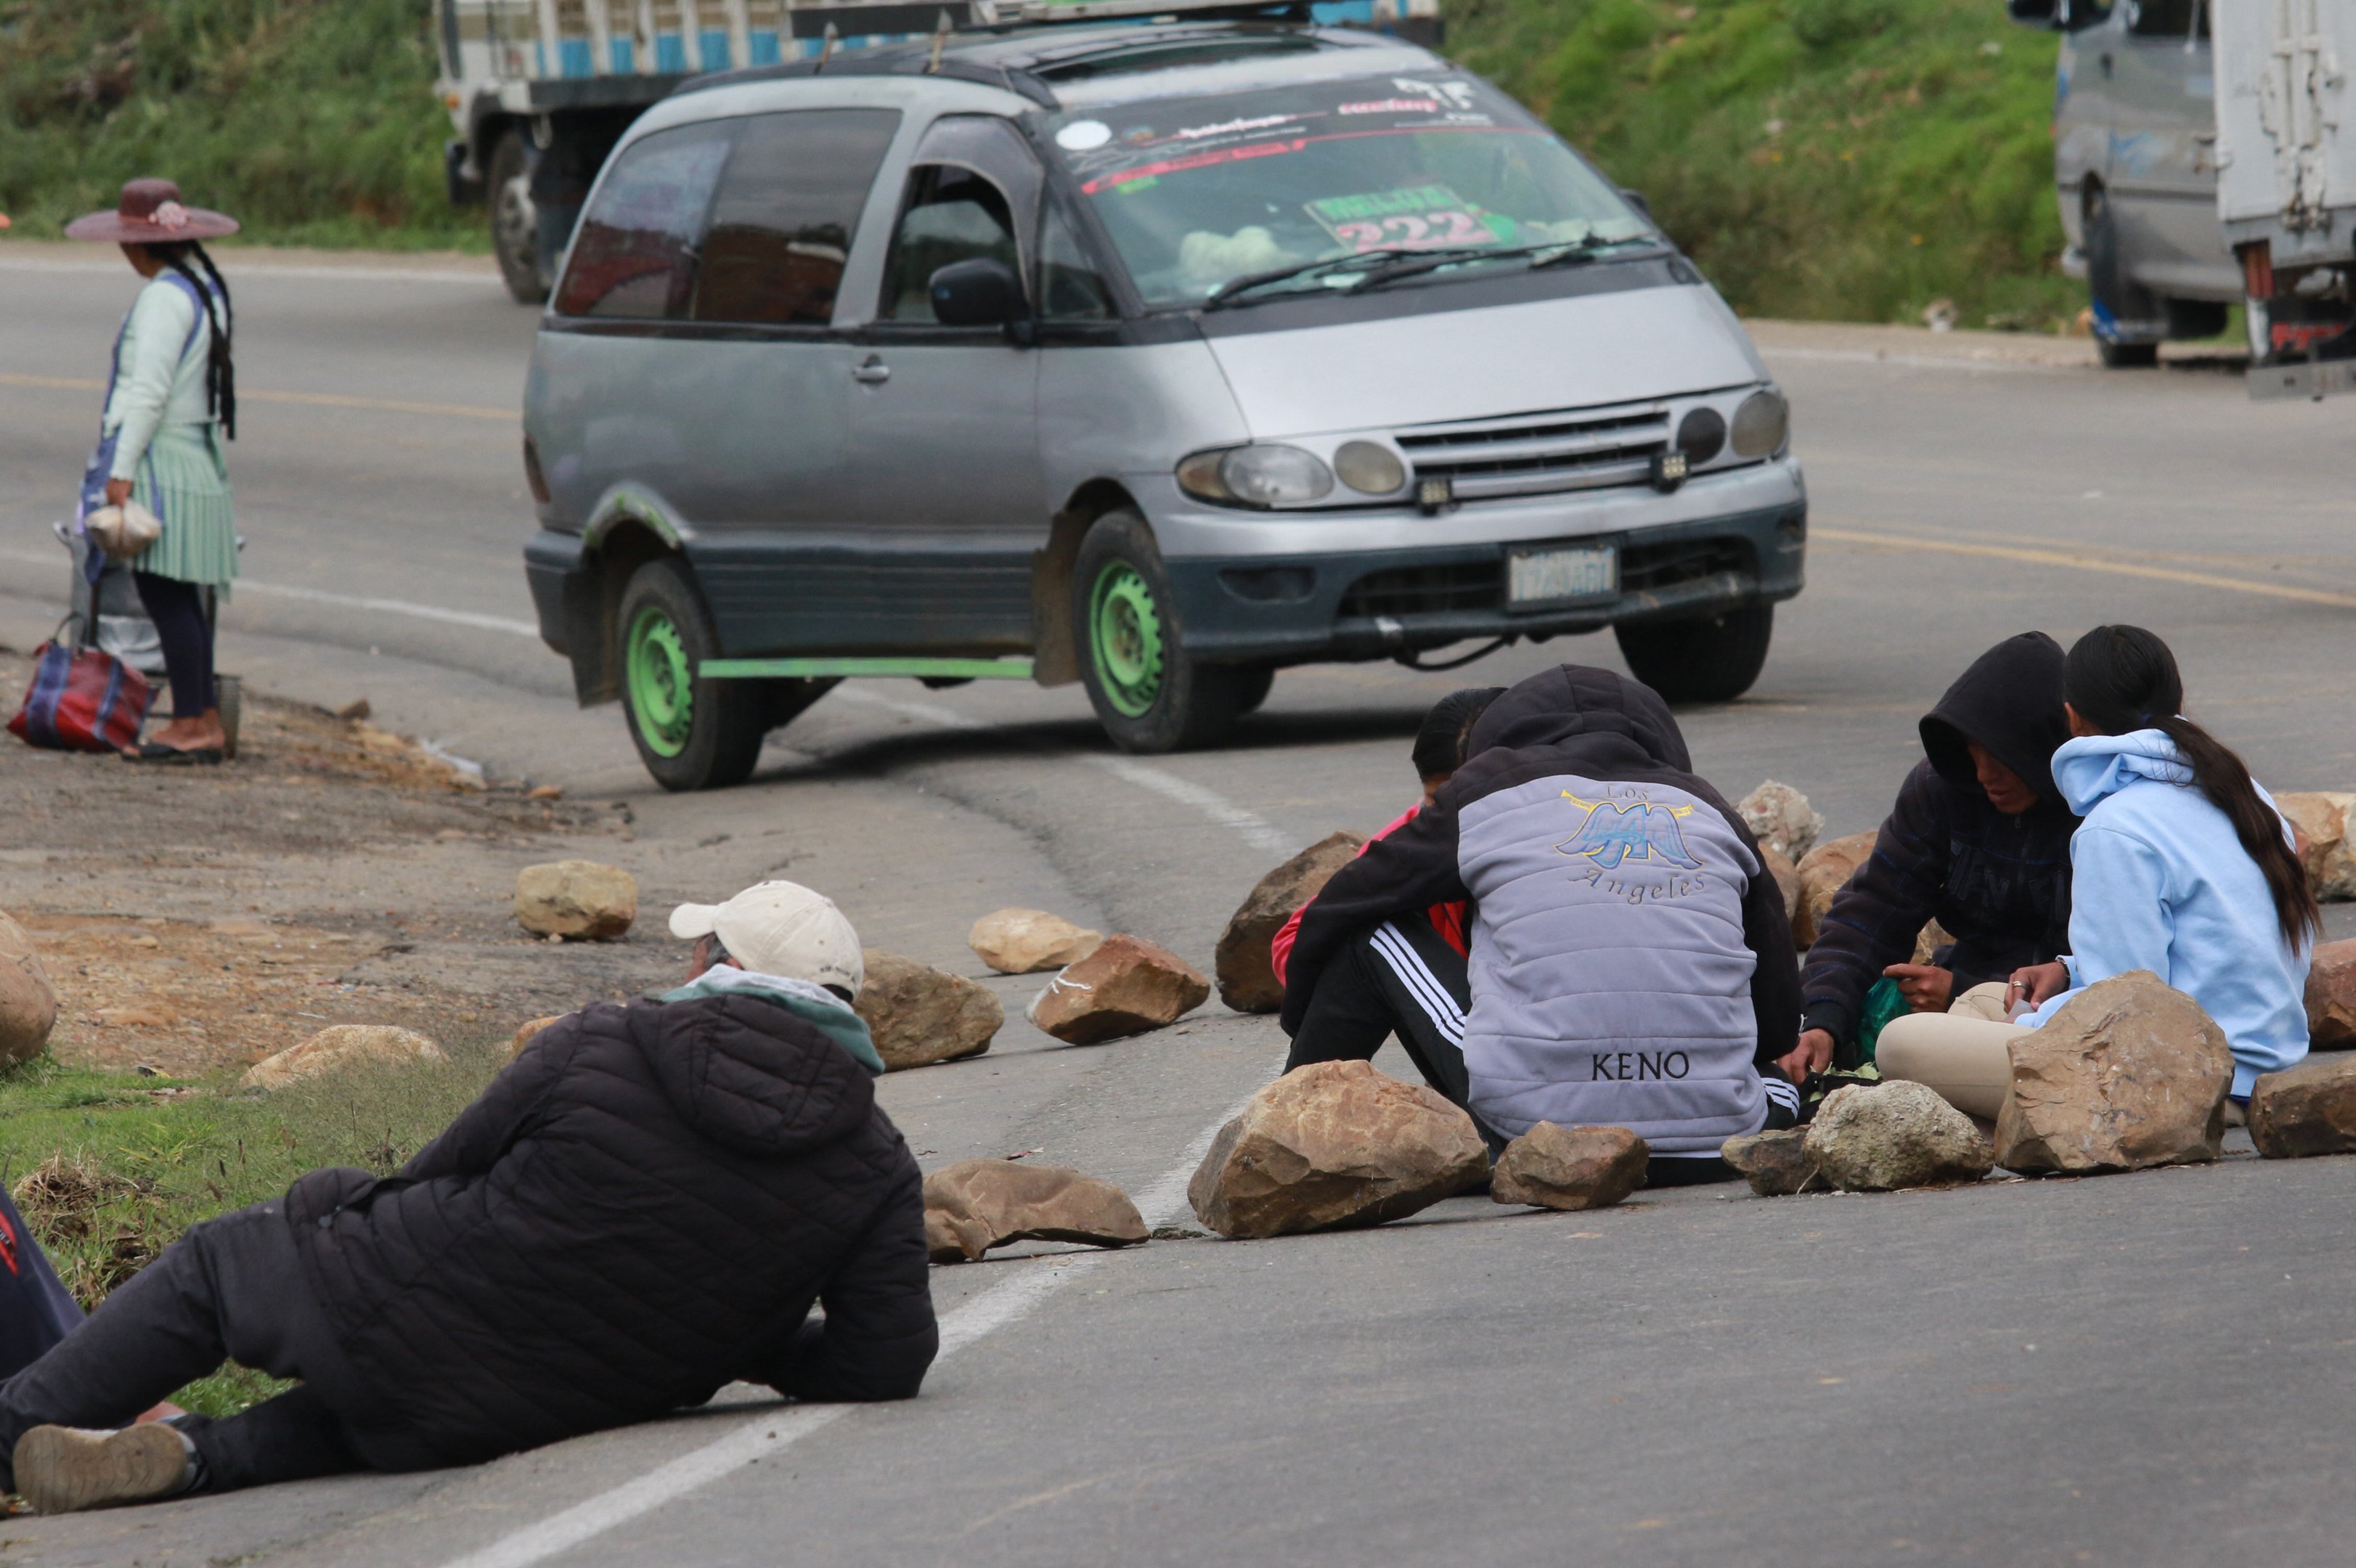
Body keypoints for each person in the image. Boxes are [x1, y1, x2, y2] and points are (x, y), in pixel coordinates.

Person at [0, 881, 936, 1514]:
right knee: (393, 1411)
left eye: (703, 949)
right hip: (546, 1406)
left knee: (223, 1266)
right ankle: (201, 1457)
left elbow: (440, 1173)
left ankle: (8, 1429)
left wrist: (327, 1199)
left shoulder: (601, 1042)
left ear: (720, 968)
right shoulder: (878, 1163)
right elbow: (883, 1362)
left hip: (412, 1315)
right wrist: (752, 1336)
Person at [1281, 664, 1801, 1180]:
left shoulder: (1483, 795)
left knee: (1373, 934)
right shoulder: (1709, 810)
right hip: (1715, 1146)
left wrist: (1298, 1022)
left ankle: (1286, 1132)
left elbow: (1337, 907)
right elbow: (1776, 1022)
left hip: (1540, 1138)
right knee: (1775, 1080)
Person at [1878, 626, 2314, 1119]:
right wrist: (2067, 970)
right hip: (2264, 1068)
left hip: (2180, 1082)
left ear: (2070, 717)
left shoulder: (2115, 826)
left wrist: (2035, 1022)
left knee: (1900, 1044)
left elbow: (2126, 1009)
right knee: (1981, 1001)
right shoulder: (2243, 793)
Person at [1781, 632, 2077, 1084]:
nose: (1983, 776)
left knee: (1905, 1049)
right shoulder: (1942, 790)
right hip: (1970, 989)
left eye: (2000, 758)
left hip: (2063, 1007)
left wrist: (1965, 992)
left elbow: (2109, 962)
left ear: (2041, 746)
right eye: (1972, 756)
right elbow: (1873, 909)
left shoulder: (2094, 811)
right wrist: (1820, 1018)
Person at [64, 179, 241, 764]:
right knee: (183, 595)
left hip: (163, 460)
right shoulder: (203, 284)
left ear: (135, 247)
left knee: (163, 593)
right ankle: (204, 717)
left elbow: (148, 393)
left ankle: (190, 723)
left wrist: (121, 469)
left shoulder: (164, 297)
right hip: (195, 456)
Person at [1266, 685, 1503, 992]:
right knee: (1366, 933)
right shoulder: (1410, 842)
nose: (1453, 819)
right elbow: (1294, 941)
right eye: (1437, 801)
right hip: (1467, 1017)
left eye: (1472, 801)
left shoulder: (1571, 832)